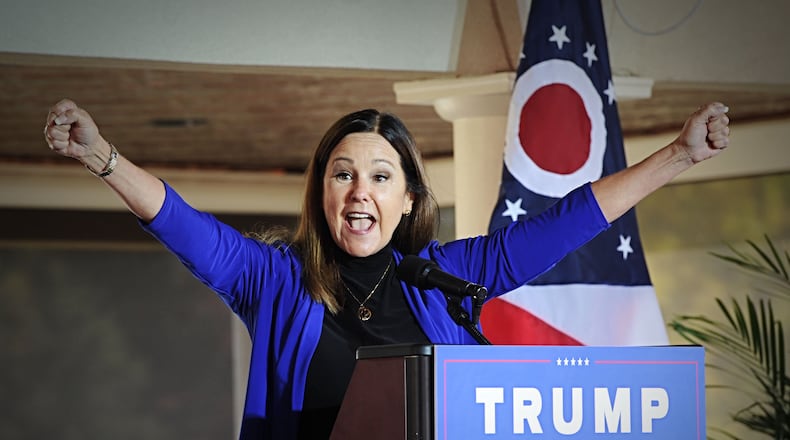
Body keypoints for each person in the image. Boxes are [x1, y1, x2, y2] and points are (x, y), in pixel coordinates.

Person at [44, 98, 730, 439]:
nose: (358, 190)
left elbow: (568, 223)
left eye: (379, 175)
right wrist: (103, 157)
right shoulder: (275, 281)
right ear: (322, 193)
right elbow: (184, 225)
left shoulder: (446, 279)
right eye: (341, 174)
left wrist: (678, 155)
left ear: (407, 201)